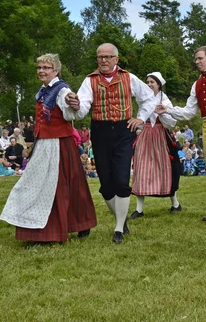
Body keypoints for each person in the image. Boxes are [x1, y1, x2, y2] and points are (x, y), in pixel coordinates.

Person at [0, 53, 97, 243]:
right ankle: (48, 227)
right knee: (40, 185)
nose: (41, 71)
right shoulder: (43, 90)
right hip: (45, 143)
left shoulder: (61, 90)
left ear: (56, 71)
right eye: (39, 68)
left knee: (60, 186)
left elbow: (70, 114)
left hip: (59, 144)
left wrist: (73, 103)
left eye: (46, 68)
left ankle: (64, 228)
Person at [65, 43, 156, 244]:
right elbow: (82, 108)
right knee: (106, 184)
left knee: (122, 180)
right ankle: (121, 221)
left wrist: (140, 118)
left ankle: (118, 230)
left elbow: (149, 98)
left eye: (107, 57)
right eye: (100, 57)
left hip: (124, 130)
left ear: (116, 59)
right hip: (100, 131)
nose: (103, 60)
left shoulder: (129, 78)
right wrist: (77, 105)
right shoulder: (90, 80)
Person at [155, 46, 206, 223]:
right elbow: (188, 112)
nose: (197, 62)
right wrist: (168, 109)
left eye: (200, 58)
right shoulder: (197, 84)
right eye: (195, 59)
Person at [129, 72, 182, 219]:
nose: (149, 84)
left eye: (152, 82)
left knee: (167, 169)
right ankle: (139, 209)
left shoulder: (164, 100)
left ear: (159, 84)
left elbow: (172, 122)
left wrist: (162, 113)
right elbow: (141, 115)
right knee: (141, 168)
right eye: (147, 82)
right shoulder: (143, 98)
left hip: (161, 135)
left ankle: (175, 204)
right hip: (145, 134)